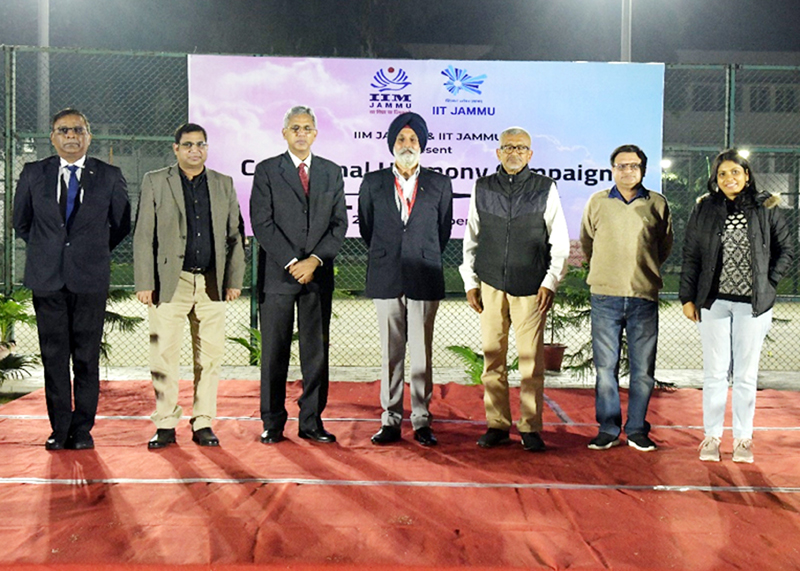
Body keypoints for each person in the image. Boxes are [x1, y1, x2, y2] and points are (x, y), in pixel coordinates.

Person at [13, 108, 131, 451]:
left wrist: (88, 251)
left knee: (85, 358)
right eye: (63, 130)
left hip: (89, 280)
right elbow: (22, 222)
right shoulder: (34, 173)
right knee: (54, 357)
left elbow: (121, 225)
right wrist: (51, 250)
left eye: (78, 130)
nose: (71, 136)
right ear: (53, 137)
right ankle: (59, 428)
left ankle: (82, 430)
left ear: (88, 136)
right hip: (47, 279)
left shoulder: (109, 175)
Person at [133, 123, 245, 449]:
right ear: (176, 148)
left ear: (207, 148)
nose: (194, 150)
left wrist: (233, 280)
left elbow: (235, 235)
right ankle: (166, 423)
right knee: (163, 355)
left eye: (200, 144)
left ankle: (203, 422)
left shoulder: (223, 184)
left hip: (212, 282)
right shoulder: (155, 181)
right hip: (171, 281)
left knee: (209, 358)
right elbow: (143, 236)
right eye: (188, 145)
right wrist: (144, 282)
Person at [460, 126, 569, 452]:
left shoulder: (544, 188)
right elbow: (471, 239)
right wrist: (470, 282)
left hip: (530, 288)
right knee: (492, 360)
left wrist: (550, 281)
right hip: (491, 284)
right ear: (498, 152)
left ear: (530, 154)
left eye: (521, 148)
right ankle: (497, 424)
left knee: (531, 364)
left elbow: (559, 242)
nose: (514, 153)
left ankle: (531, 427)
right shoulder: (482, 187)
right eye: (508, 147)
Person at [680, 149, 792, 464]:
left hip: (753, 305)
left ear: (746, 175)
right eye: (722, 174)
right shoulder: (705, 208)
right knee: (715, 373)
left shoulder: (766, 206)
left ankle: (743, 439)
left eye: (735, 172)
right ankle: (712, 436)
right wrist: (688, 297)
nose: (730, 178)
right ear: (715, 179)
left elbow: (786, 249)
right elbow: (691, 255)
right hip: (713, 301)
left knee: (745, 375)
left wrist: (768, 282)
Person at [250, 105, 347, 445]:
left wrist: (315, 260)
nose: (301, 133)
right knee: (274, 352)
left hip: (317, 277)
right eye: (295, 127)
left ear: (316, 133)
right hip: (278, 277)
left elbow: (339, 225)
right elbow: (262, 223)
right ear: (285, 133)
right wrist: (293, 261)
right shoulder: (266, 171)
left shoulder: (332, 172)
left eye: (307, 127)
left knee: (315, 355)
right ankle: (272, 423)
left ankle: (311, 421)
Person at [358, 112, 453, 446]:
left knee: (422, 352)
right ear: (391, 144)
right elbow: (367, 229)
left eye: (413, 139)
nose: (407, 145)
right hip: (387, 275)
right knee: (390, 351)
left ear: (422, 144)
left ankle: (422, 419)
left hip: (424, 275)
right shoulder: (372, 183)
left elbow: (442, 231)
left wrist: (418, 253)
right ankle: (391, 420)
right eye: (401, 139)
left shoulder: (440, 183)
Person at [580, 144, 673, 452]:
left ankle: (636, 429)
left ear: (643, 170)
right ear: (612, 170)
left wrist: (644, 272)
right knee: (605, 369)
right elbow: (588, 242)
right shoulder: (597, 202)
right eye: (621, 166)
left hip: (642, 297)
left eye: (633, 166)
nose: (627, 171)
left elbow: (664, 245)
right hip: (604, 297)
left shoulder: (657, 204)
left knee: (642, 371)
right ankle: (608, 428)